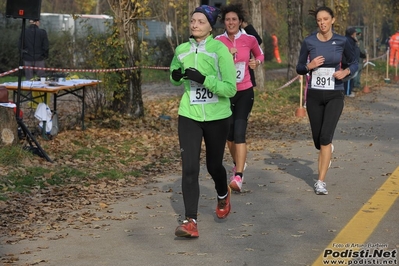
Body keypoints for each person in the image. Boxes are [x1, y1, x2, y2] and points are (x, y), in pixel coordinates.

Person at [169, 5, 237, 238]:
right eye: (192, 20)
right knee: (189, 168)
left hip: (218, 116)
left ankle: (222, 194)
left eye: (200, 21)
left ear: (210, 26)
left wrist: (204, 79)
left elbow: (230, 88)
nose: (194, 24)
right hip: (190, 114)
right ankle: (190, 221)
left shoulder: (220, 50)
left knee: (213, 166)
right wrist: (176, 76)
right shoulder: (181, 49)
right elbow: (174, 72)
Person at [296, 6, 358, 195]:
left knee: (325, 137)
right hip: (314, 94)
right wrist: (309, 65)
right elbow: (299, 67)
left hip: (335, 94)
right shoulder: (309, 42)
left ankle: (320, 181)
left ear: (332, 20)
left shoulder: (342, 41)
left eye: (325, 19)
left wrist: (345, 72)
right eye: (319, 20)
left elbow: (354, 62)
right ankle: (327, 149)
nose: (322, 23)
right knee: (318, 140)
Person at [215, 3, 264, 193]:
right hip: (226, 93)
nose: (231, 22)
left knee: (239, 132)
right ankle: (238, 164)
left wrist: (256, 62)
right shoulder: (217, 41)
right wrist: (225, 56)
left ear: (240, 21)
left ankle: (239, 176)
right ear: (224, 22)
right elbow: (211, 62)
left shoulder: (249, 39)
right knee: (229, 135)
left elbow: (260, 54)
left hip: (245, 91)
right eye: (227, 19)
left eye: (234, 19)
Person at [19, 19, 50, 107]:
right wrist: (44, 55)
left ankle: (30, 98)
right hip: (39, 58)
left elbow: (20, 45)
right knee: (42, 78)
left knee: (29, 79)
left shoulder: (24, 32)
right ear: (37, 22)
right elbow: (46, 45)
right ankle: (42, 96)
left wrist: (23, 55)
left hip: (27, 58)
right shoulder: (42, 32)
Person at [342, 27, 359, 97]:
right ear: (352, 34)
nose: (356, 34)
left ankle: (348, 91)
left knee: (350, 77)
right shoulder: (348, 41)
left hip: (351, 61)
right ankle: (347, 92)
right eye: (355, 33)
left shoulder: (352, 40)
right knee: (349, 78)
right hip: (348, 62)